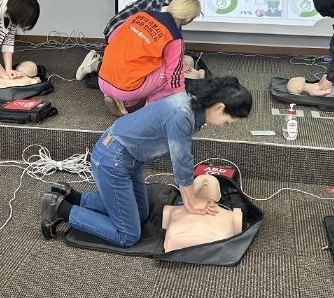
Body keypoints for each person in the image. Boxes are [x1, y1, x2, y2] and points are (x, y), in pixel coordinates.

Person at [40, 76, 252, 247]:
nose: (225, 125)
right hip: (112, 160)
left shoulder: (192, 101)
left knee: (141, 214)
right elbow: (182, 162)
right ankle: (59, 208)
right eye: (228, 121)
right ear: (219, 107)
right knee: (128, 235)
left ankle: (74, 197)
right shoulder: (182, 114)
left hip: (125, 157)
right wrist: (192, 202)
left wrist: (191, 199)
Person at [76, 0, 206, 80]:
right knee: (145, 69)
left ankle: (98, 62)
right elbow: (166, 36)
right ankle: (94, 65)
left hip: (121, 30)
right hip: (118, 32)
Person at [97, 0, 201, 116]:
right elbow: (174, 76)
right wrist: (183, 100)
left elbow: (112, 38)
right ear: (188, 19)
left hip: (103, 79)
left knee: (142, 64)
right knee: (174, 69)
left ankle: (124, 102)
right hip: (126, 88)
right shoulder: (174, 38)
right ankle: (149, 108)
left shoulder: (142, 15)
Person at [162, 174, 243, 252]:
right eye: (199, 182)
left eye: (209, 182)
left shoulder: (234, 214)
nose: (205, 183)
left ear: (219, 196)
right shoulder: (170, 210)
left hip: (216, 244)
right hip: (216, 247)